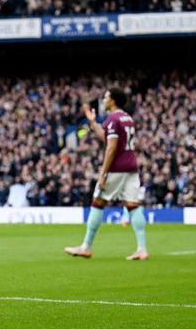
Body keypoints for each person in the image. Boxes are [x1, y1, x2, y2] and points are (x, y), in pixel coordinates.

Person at [64, 88, 149, 260]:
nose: (103, 100)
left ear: (113, 100)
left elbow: (111, 147)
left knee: (98, 203)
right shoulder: (127, 118)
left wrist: (103, 173)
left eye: (106, 97)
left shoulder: (113, 119)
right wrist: (93, 122)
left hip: (117, 168)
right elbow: (106, 137)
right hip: (131, 167)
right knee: (133, 206)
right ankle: (142, 249)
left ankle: (86, 247)